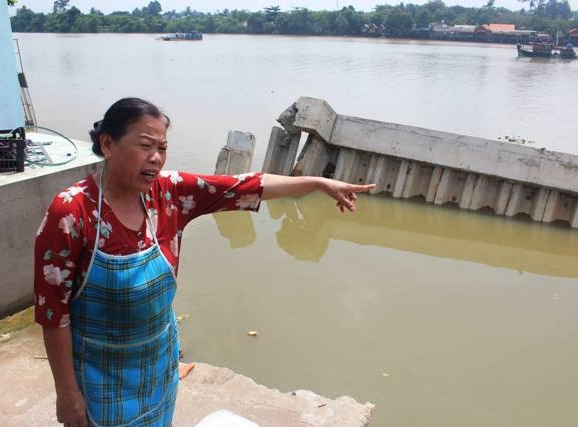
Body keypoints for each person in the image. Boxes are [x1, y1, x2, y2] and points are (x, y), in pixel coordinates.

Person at [33, 97, 375, 427]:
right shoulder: (71, 213)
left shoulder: (170, 192)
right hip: (100, 374)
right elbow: (53, 313)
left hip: (159, 363)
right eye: (145, 146)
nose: (155, 158)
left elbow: (248, 185)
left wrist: (317, 183)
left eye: (162, 148)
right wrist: (67, 392)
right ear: (108, 144)